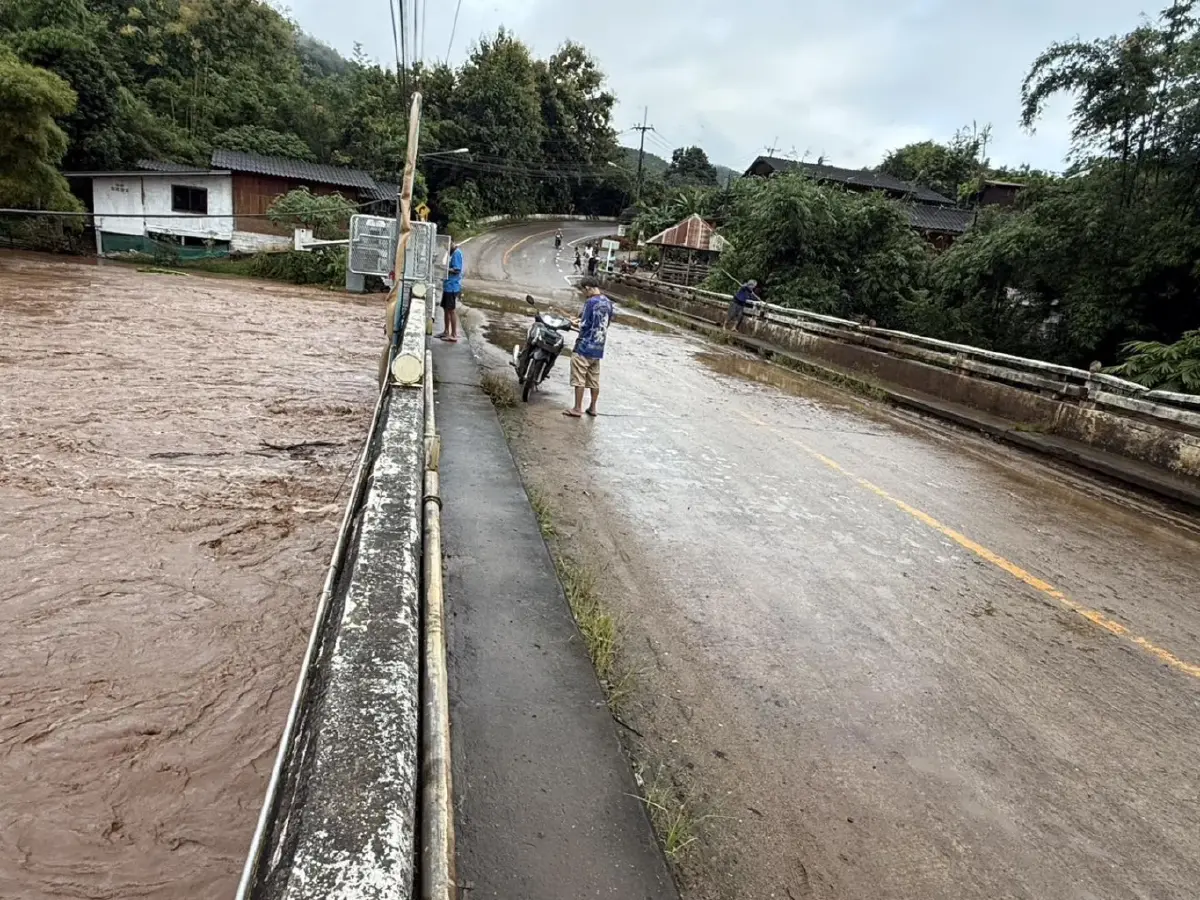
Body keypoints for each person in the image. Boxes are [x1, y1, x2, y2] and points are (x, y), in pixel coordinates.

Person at [564, 282, 614, 418]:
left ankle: (577, 408)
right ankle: (592, 407)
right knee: (594, 379)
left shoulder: (590, 302)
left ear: (588, 288)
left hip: (584, 346)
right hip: (598, 347)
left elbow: (584, 324)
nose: (584, 295)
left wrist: (573, 323)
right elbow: (607, 323)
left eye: (584, 291)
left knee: (579, 377)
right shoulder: (608, 302)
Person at [438, 240, 464, 342]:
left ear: (451, 243)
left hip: (452, 287)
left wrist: (445, 269)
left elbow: (457, 270)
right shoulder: (452, 253)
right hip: (447, 286)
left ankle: (453, 334)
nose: (446, 249)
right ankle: (446, 331)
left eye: (447, 247)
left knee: (451, 310)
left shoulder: (457, 253)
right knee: (445, 309)